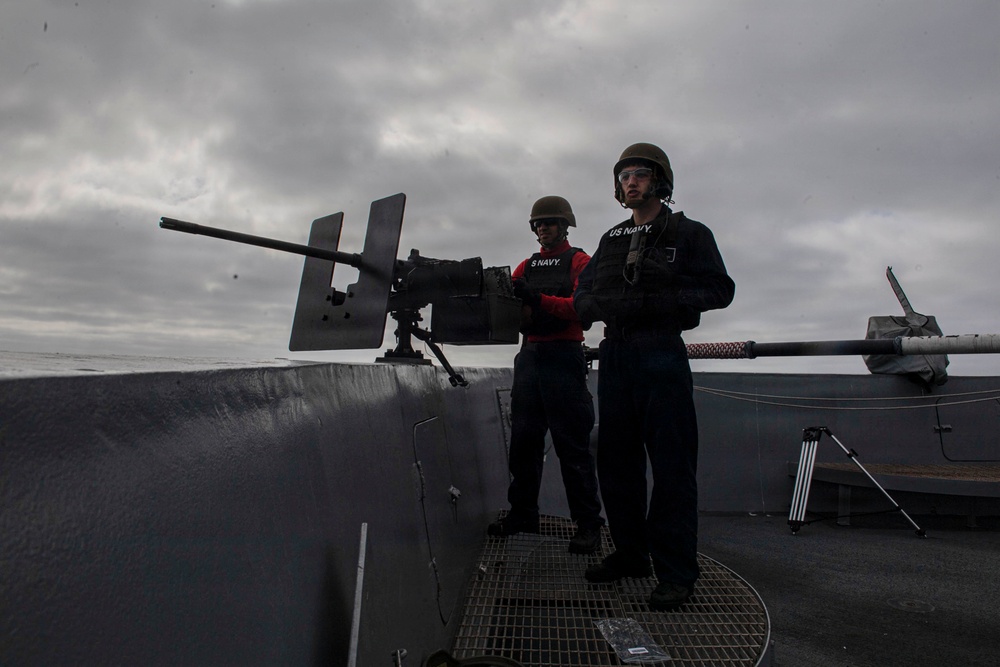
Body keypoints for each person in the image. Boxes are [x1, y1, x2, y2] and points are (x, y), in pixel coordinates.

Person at [573, 143, 735, 610]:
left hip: (661, 352)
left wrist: (664, 297)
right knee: (616, 461)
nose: (630, 182)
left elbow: (720, 289)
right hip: (617, 355)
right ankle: (631, 554)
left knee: (671, 466)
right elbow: (584, 291)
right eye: (624, 176)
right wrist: (591, 306)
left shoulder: (689, 232)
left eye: (640, 174)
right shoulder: (611, 238)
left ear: (659, 181)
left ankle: (676, 572)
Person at [488, 195, 605, 554]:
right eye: (539, 223)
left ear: (564, 226)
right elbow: (503, 304)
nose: (543, 228)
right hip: (530, 359)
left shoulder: (580, 261)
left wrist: (537, 300)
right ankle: (523, 513)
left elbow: (583, 309)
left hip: (563, 358)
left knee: (573, 448)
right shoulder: (525, 266)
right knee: (523, 444)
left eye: (550, 222)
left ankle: (588, 525)